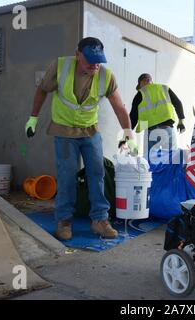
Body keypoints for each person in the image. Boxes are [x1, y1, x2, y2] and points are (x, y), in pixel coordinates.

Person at [25, 37, 137, 241]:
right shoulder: (61, 67)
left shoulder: (105, 75)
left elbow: (119, 106)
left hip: (90, 131)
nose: (95, 65)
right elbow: (42, 90)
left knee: (97, 172)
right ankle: (64, 220)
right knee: (67, 175)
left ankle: (100, 220)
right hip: (64, 131)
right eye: (90, 60)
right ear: (78, 55)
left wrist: (128, 133)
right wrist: (33, 117)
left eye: (98, 60)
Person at [129, 73, 185, 158]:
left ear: (141, 83)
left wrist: (128, 133)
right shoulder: (164, 88)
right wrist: (181, 121)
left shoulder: (140, 94)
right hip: (168, 129)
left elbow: (133, 117)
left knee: (151, 160)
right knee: (172, 159)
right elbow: (178, 103)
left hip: (151, 132)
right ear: (151, 81)